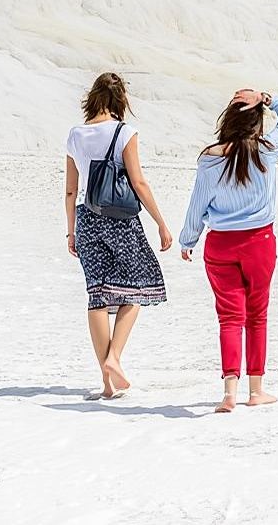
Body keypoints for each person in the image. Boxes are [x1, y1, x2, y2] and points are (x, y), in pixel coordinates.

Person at [180, 89, 278, 413]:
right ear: (256, 119)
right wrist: (269, 99)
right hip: (259, 243)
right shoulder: (267, 150)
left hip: (220, 244)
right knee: (256, 315)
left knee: (229, 317)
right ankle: (256, 390)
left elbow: (198, 203)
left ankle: (229, 392)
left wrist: (188, 240)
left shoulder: (210, 156)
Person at [65, 73, 174, 400]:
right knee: (139, 285)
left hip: (87, 218)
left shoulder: (75, 135)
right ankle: (114, 358)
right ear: (120, 100)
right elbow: (138, 183)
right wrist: (161, 222)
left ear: (93, 97)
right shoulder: (125, 132)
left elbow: (71, 190)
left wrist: (71, 231)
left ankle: (107, 383)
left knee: (97, 294)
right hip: (121, 221)